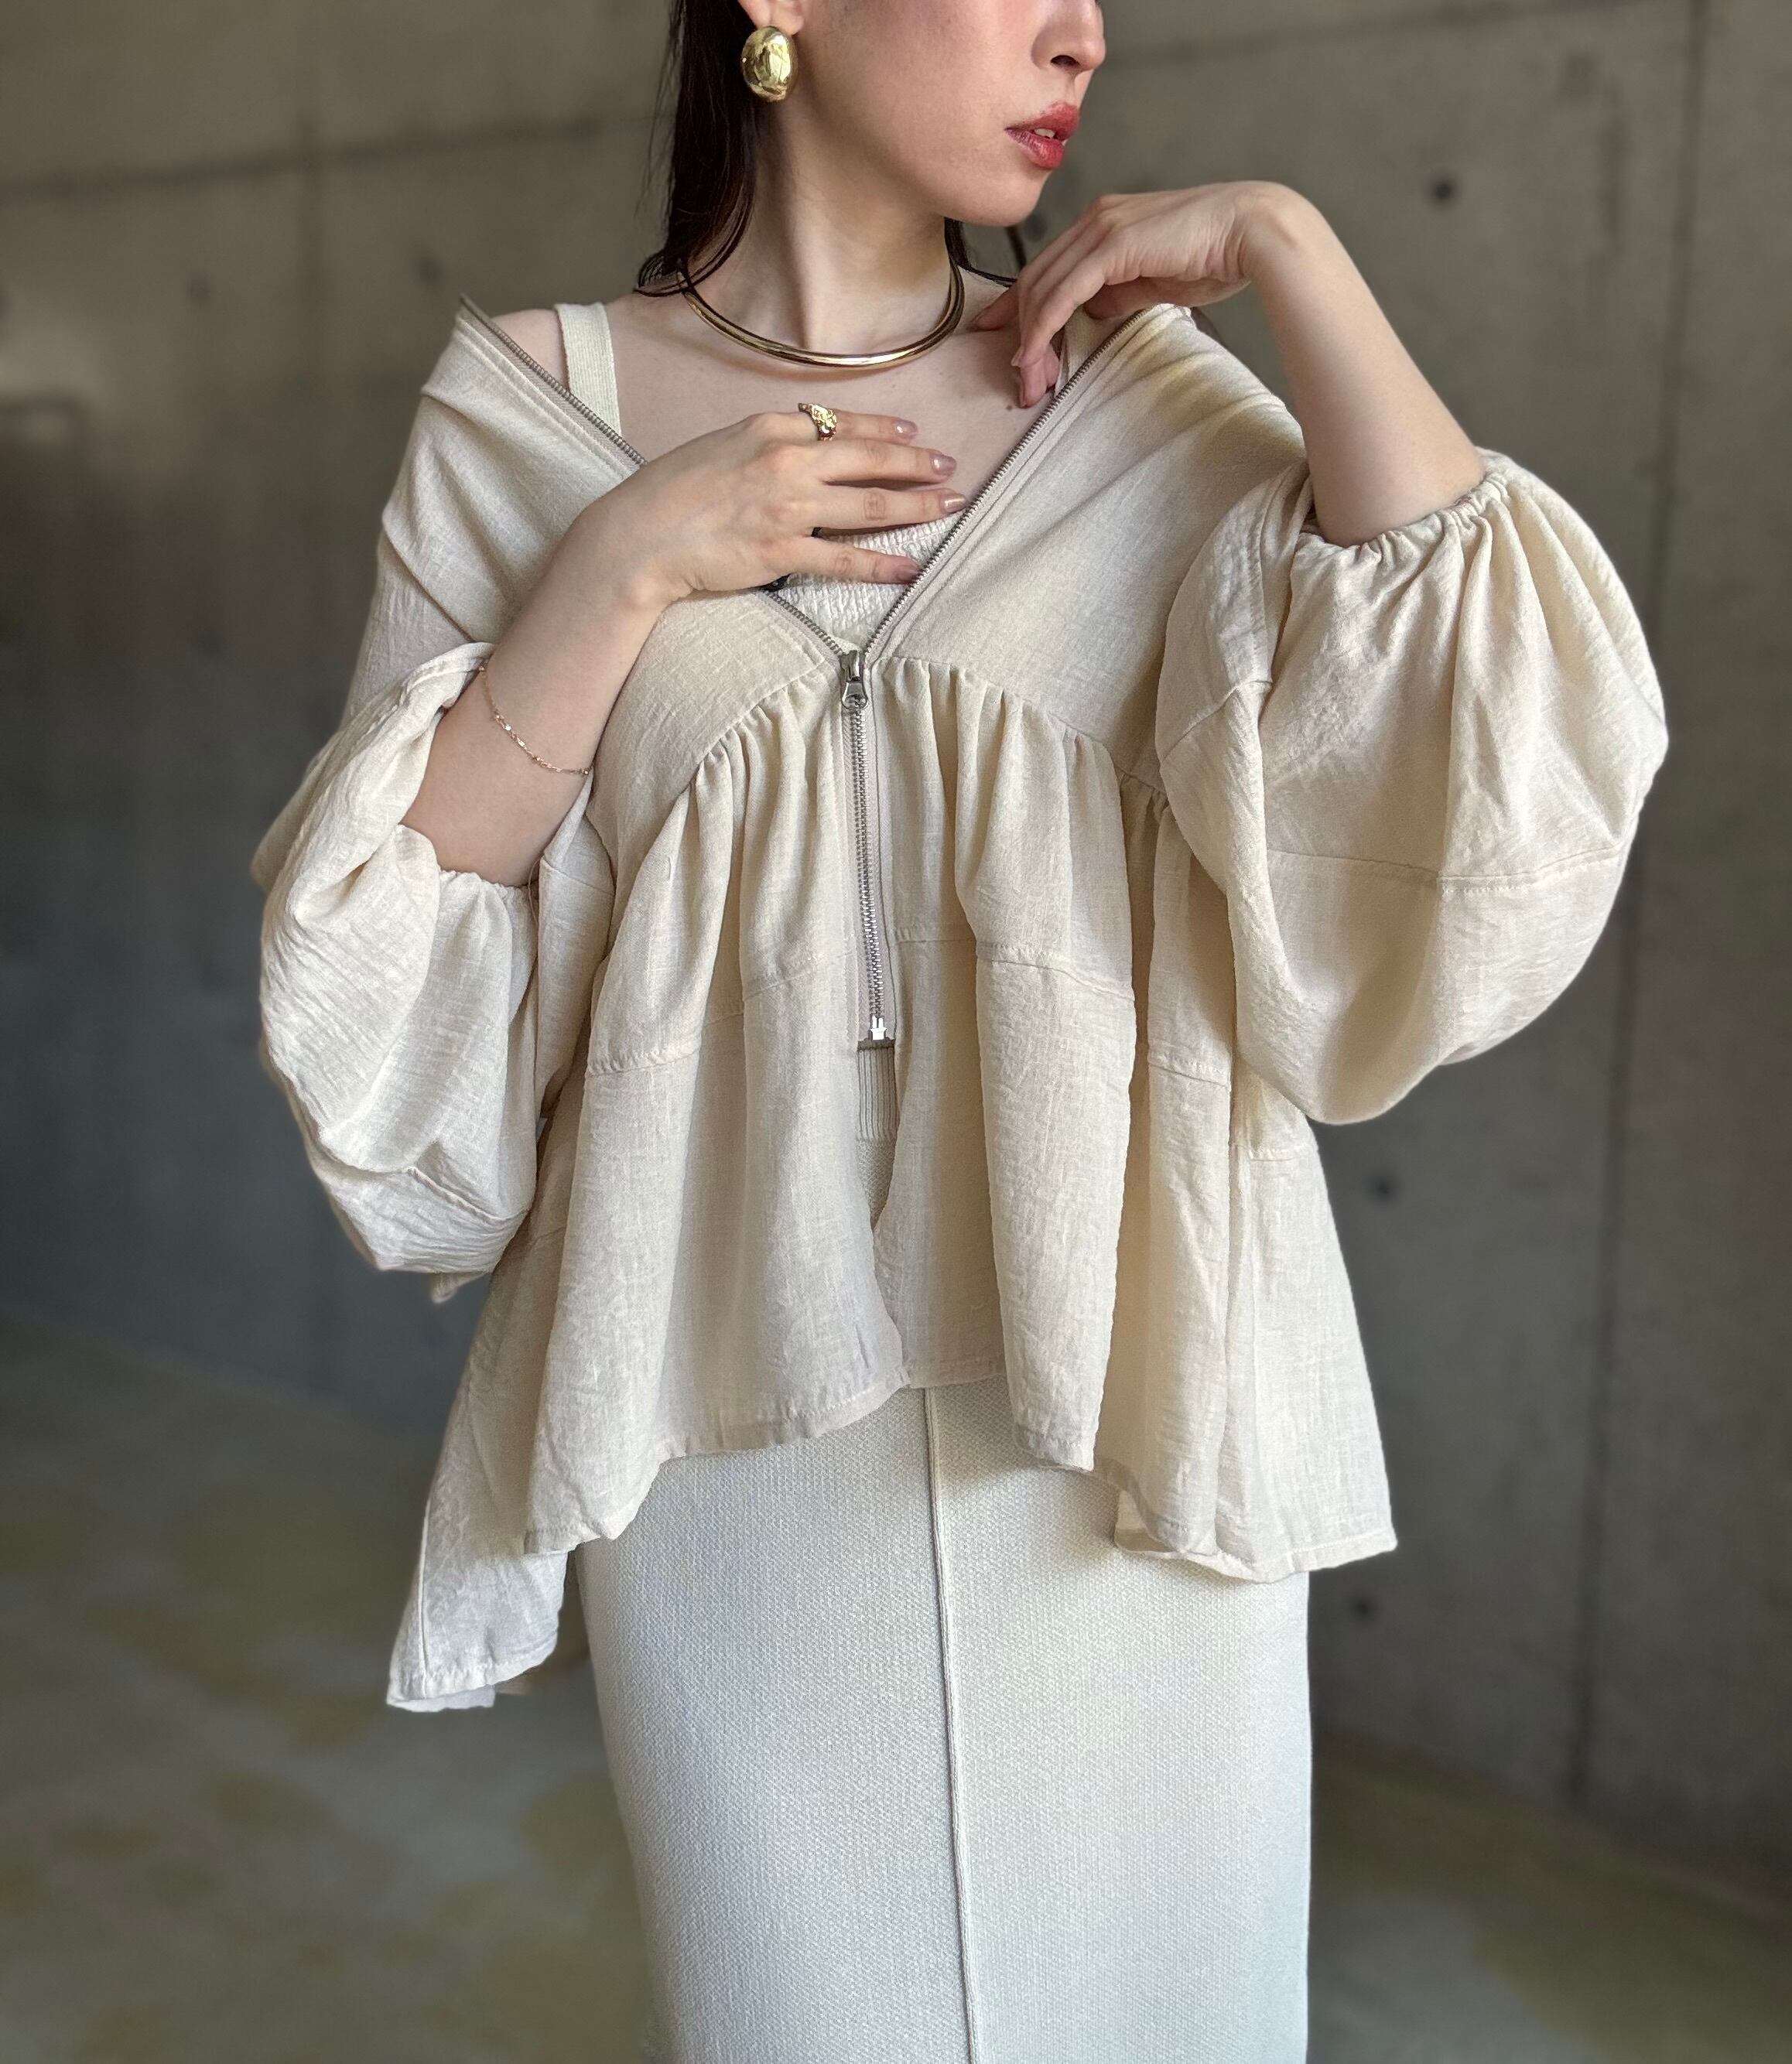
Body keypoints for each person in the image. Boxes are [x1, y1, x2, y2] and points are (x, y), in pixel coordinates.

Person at [248, 0, 1669, 2055]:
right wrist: (620, 571)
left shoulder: (1137, 405)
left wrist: (1291, 250)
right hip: (736, 1433)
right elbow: (398, 964)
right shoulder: (525, 417)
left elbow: (1474, 749)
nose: (1079, 30)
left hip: (1125, 1415)